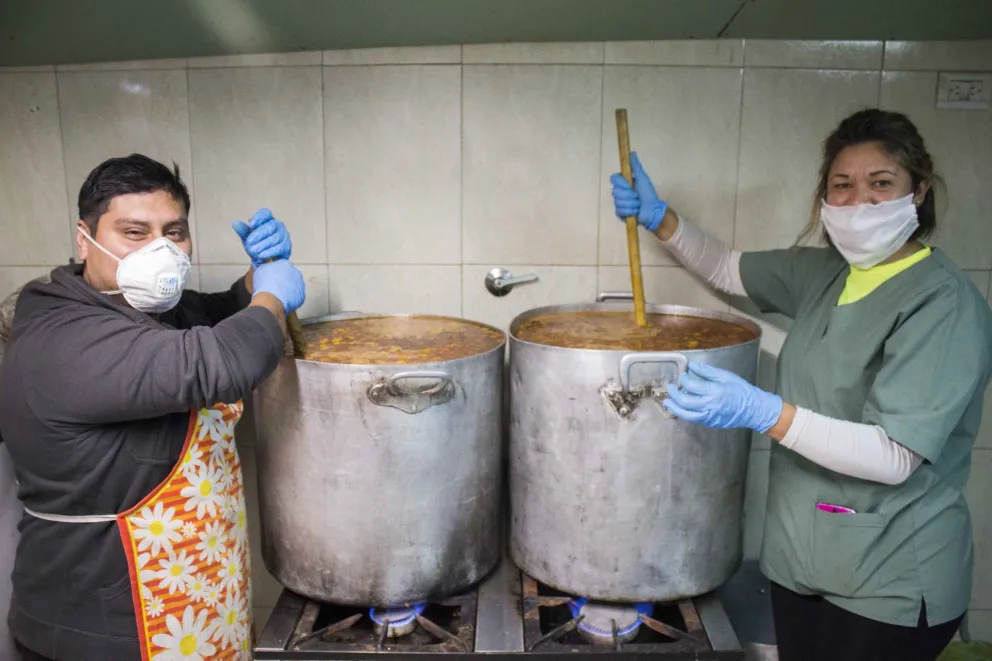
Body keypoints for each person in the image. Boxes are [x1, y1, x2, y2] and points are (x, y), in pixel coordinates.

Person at [610, 109, 992, 661]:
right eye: (842, 185)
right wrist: (660, 218)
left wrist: (763, 411)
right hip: (801, 565)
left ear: (920, 191)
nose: (860, 202)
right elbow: (727, 268)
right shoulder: (826, 273)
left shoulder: (943, 303)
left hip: (890, 581)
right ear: (824, 199)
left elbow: (894, 456)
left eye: (881, 184)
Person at [0, 154, 306, 661]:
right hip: (102, 631)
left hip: (192, 611)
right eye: (134, 232)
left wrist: (257, 279)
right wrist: (274, 299)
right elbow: (215, 362)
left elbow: (214, 314)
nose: (161, 249)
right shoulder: (64, 338)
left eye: (175, 232)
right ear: (85, 237)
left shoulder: (139, 305)